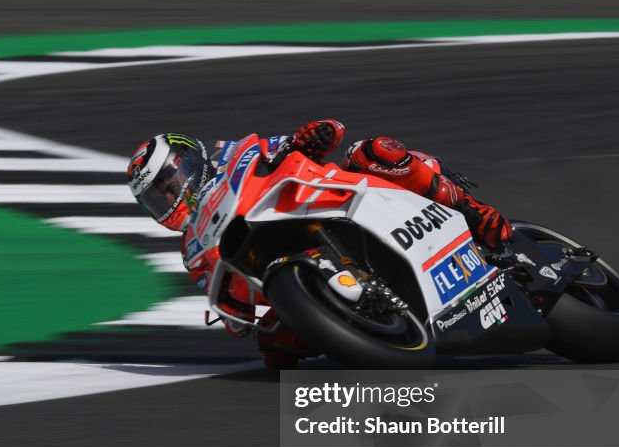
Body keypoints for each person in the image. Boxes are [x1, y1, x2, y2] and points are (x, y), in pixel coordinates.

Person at [126, 120, 512, 366]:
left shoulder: (234, 155)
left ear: (191, 161)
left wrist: (310, 138)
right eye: (157, 197)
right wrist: (245, 312)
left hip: (330, 203)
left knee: (373, 151)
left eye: (168, 183)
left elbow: (317, 134)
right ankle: (370, 319)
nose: (169, 197)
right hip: (281, 268)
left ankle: (472, 211)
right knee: (275, 351)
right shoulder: (193, 250)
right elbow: (235, 316)